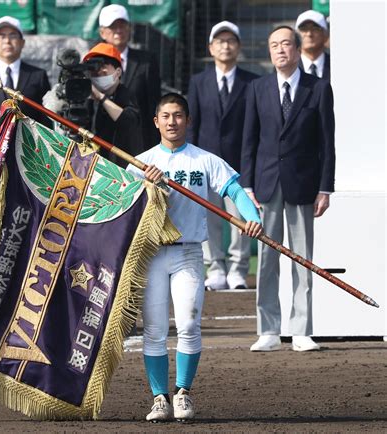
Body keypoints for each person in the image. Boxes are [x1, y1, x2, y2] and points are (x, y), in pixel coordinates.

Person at [127, 93, 262, 421]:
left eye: (178, 115)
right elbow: (124, 205)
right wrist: (147, 185)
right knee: (155, 329)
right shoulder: (140, 163)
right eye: (166, 116)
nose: (172, 122)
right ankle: (159, 398)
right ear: (156, 121)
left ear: (187, 120)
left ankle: (183, 392)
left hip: (189, 252)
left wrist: (251, 217)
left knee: (188, 322)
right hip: (152, 254)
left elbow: (233, 190)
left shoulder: (205, 161)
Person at [240, 26, 335, 352]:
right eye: (274, 45)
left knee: (302, 259)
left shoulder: (319, 89)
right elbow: (249, 141)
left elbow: (327, 143)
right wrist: (247, 186)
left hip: (303, 185)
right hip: (266, 186)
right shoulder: (257, 88)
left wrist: (325, 188)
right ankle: (268, 329)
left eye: (286, 44)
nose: (280, 50)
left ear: (297, 49)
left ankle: (301, 330)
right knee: (266, 260)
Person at [187, 21, 259, 290]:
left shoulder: (252, 81)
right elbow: (192, 123)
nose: (225, 46)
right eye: (220, 41)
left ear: (238, 47)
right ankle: (215, 267)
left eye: (230, 41)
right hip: (206, 164)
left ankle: (239, 269)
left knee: (241, 219)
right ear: (210, 47)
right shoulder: (198, 81)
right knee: (210, 218)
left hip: (240, 163)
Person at [0, 15, 52, 128]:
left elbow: (45, 119)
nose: (7, 41)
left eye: (12, 35)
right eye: (2, 36)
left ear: (22, 42)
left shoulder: (38, 76)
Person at [99, 4, 161, 150]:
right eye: (113, 26)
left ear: (129, 28)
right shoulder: (93, 63)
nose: (118, 30)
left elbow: (154, 104)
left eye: (123, 25)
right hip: (104, 143)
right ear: (102, 32)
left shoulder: (146, 61)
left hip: (138, 144)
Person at [81, 42, 143, 168]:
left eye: (103, 69)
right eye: (94, 72)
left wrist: (102, 98)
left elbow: (129, 121)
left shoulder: (126, 94)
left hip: (120, 167)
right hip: (93, 163)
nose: (98, 74)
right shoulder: (88, 96)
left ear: (118, 72)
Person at [295, 10, 330, 80]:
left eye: (315, 28)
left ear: (325, 35)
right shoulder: (288, 67)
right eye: (303, 29)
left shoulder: (337, 65)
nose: (309, 34)